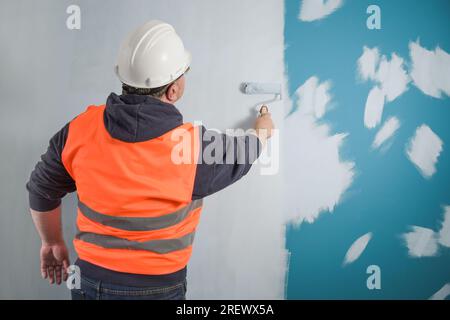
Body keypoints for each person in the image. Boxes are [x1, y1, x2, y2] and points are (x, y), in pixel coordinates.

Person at [26, 20, 274, 300]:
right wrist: (263, 127)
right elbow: (247, 151)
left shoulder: (79, 129)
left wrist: (52, 242)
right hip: (157, 288)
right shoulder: (194, 148)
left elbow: (41, 189)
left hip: (88, 280)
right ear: (174, 90)